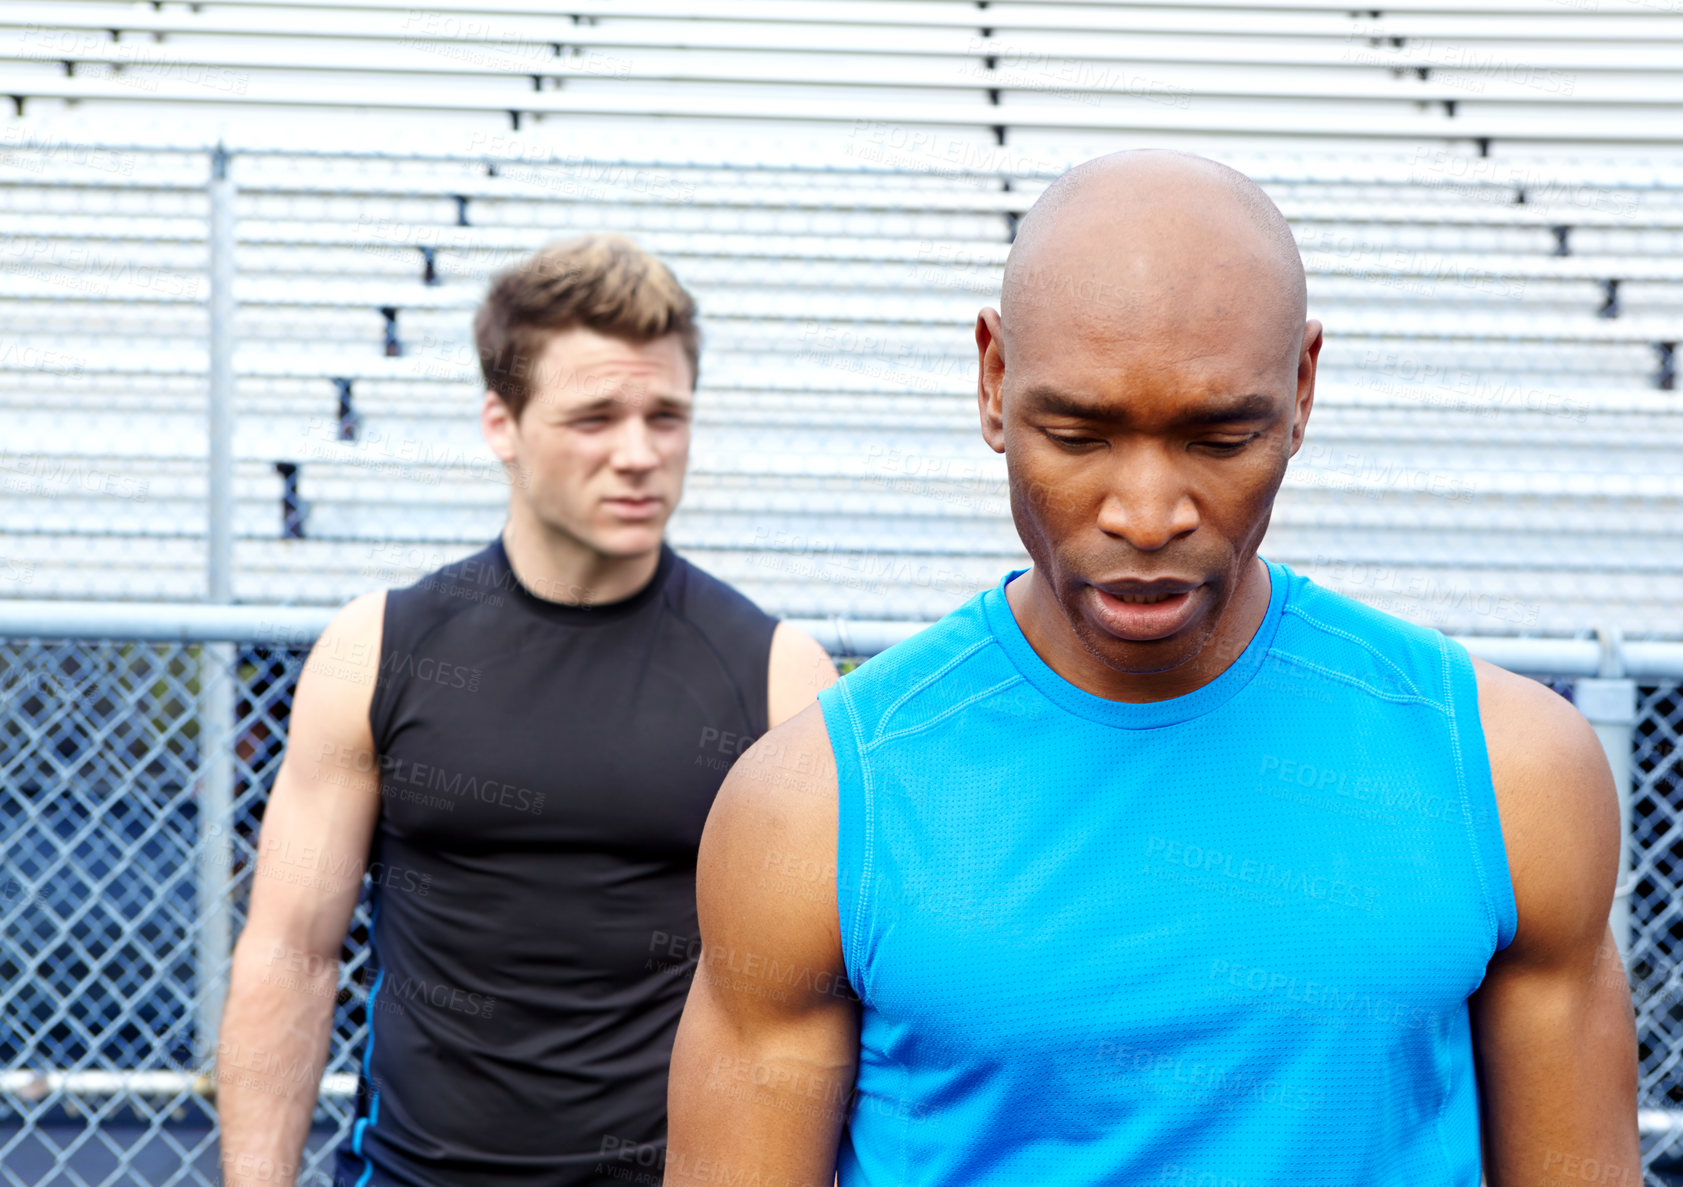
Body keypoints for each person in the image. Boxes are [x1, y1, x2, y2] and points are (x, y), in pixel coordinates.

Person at [662, 151, 1639, 1186]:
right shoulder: (813, 804)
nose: (1146, 512)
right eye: (1078, 433)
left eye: (1220, 436)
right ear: (994, 381)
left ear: (1302, 389)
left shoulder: (1509, 768)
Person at [217, 234, 838, 1187]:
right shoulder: (376, 651)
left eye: (664, 416)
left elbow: (811, 1008)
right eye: (594, 417)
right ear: (500, 422)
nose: (639, 454)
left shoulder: (778, 679)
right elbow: (292, 952)